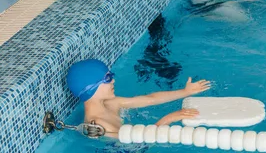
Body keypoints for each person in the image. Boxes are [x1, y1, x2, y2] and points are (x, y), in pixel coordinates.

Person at [66, 59, 211, 138]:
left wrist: (185, 92)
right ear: (92, 88)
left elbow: (150, 99)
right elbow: (139, 143)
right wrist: (168, 119)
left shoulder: (112, 103)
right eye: (107, 78)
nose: (113, 81)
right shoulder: (98, 126)